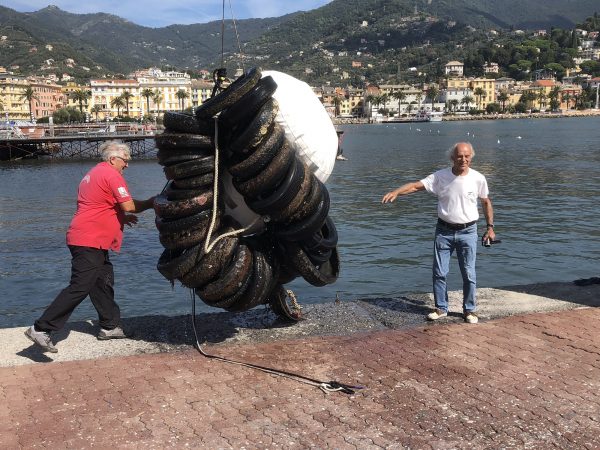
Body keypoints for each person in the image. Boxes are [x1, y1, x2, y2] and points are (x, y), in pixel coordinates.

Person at [25, 141, 156, 352]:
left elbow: (98, 204)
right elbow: (129, 204)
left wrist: (121, 218)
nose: (127, 165)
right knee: (80, 285)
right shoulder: (112, 175)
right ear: (113, 159)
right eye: (125, 160)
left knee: (102, 281)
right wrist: (151, 202)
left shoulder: (94, 173)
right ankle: (41, 328)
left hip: (89, 237)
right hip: (89, 239)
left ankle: (109, 326)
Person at [382, 142, 496, 324]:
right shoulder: (440, 176)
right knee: (439, 272)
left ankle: (469, 310)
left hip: (468, 231)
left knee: (469, 273)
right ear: (452, 157)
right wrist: (396, 192)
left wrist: (490, 227)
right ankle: (441, 308)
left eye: (467, 156)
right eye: (459, 156)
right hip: (444, 231)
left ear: (471, 157)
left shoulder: (478, 178)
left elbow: (485, 202)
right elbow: (415, 186)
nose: (463, 159)